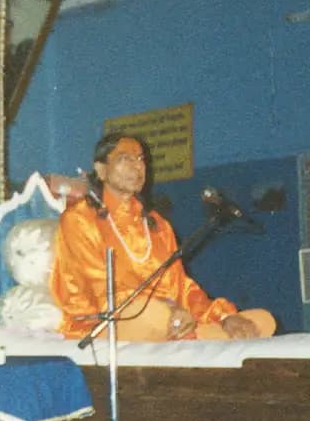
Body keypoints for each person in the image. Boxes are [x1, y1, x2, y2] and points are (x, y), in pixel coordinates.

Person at [49, 132, 276, 342]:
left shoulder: (158, 224)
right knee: (150, 313)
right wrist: (168, 309)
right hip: (107, 322)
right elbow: (96, 290)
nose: (137, 167)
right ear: (101, 169)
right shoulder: (79, 219)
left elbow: (182, 287)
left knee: (262, 321)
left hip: (168, 318)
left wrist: (224, 316)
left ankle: (191, 335)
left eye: (140, 159)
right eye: (125, 159)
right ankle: (191, 337)